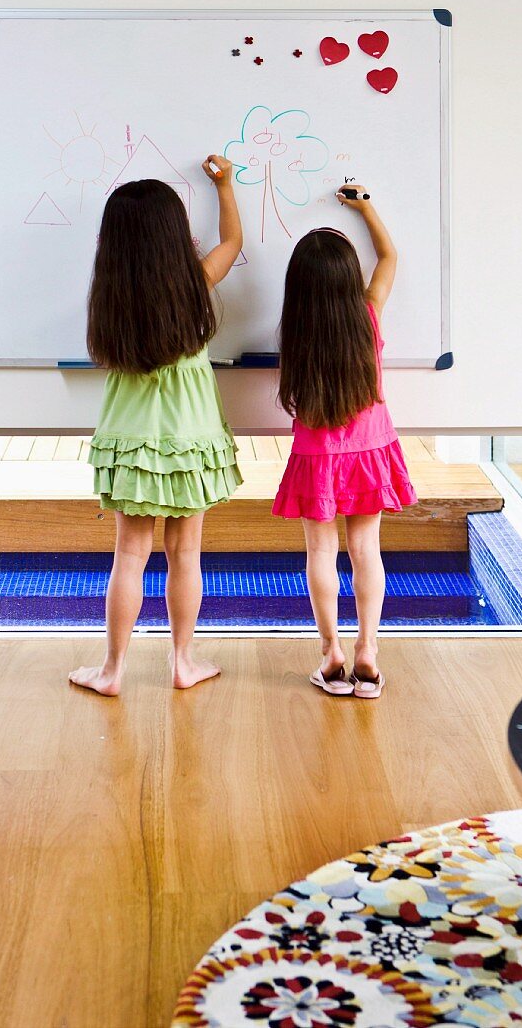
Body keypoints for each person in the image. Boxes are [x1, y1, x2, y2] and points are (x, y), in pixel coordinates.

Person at [69, 158, 243, 696]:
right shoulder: (194, 284)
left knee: (129, 555)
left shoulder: (111, 298)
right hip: (189, 436)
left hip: (132, 437)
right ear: (175, 235)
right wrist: (225, 185)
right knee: (185, 552)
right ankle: (182, 663)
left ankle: (113, 671)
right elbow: (232, 242)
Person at [272, 187, 417, 699]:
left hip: (318, 458)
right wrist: (365, 208)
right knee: (365, 551)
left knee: (321, 551)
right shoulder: (369, 316)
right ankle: (368, 654)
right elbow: (389, 255)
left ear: (299, 288)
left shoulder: (297, 332)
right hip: (371, 452)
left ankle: (331, 654)